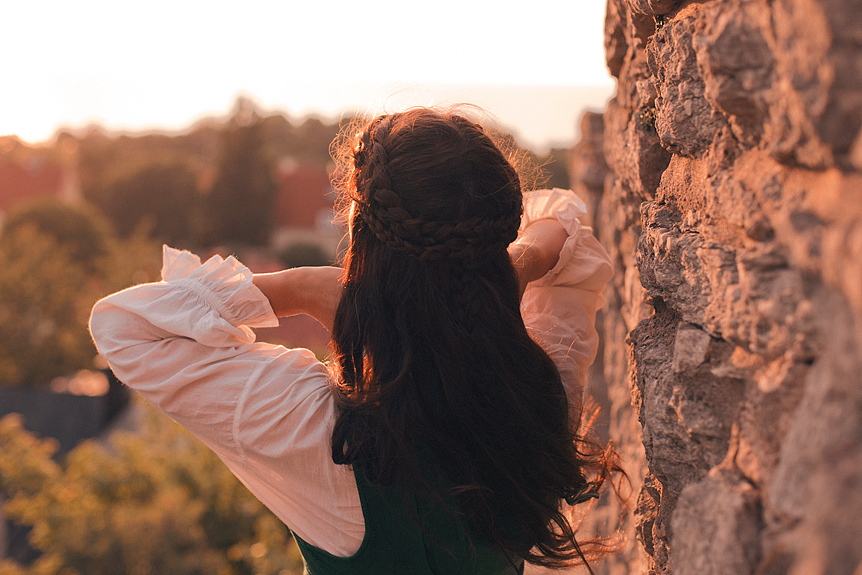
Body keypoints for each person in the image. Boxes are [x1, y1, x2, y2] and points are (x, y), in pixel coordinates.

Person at [89, 108, 618, 574]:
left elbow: (125, 327)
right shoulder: (537, 400)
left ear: (363, 241)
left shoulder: (318, 437)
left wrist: (301, 286)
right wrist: (511, 273)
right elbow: (564, 225)